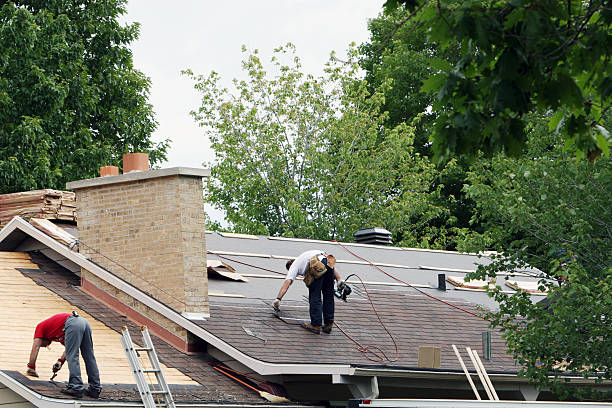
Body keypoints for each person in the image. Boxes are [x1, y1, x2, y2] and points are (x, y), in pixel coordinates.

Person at [27, 312, 102, 399]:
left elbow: (35, 348)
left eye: (43, 345)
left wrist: (31, 367)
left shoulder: (40, 327)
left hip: (72, 322)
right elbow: (68, 349)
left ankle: (76, 387)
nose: (45, 346)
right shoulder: (56, 332)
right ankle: (95, 388)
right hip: (83, 322)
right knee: (89, 356)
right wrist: (60, 362)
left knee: (73, 356)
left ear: (42, 339)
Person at [273, 250, 342, 334]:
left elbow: (287, 283)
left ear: (290, 266)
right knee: (328, 295)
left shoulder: (294, 266)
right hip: (328, 262)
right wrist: (339, 280)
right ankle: (328, 324)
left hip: (316, 265)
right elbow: (330, 264)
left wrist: (278, 299)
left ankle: (316, 325)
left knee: (315, 295)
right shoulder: (306, 256)